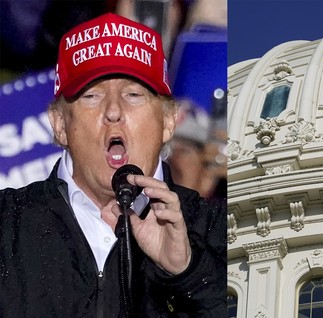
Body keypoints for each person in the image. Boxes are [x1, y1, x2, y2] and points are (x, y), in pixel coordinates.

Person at [0, 13, 226, 316]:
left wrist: (188, 273)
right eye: (91, 96)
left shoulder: (222, 227)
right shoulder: (8, 225)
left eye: (133, 94)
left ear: (169, 121)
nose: (114, 111)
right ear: (59, 124)